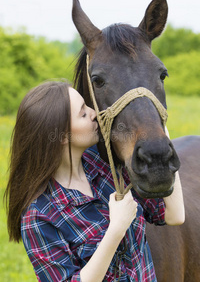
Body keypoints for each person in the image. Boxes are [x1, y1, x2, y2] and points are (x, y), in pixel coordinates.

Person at [5, 81, 185, 282]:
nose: (94, 113)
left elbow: (173, 215)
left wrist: (164, 143)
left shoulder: (105, 164)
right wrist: (116, 229)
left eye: (87, 105)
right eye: (83, 113)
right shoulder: (39, 216)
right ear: (62, 136)